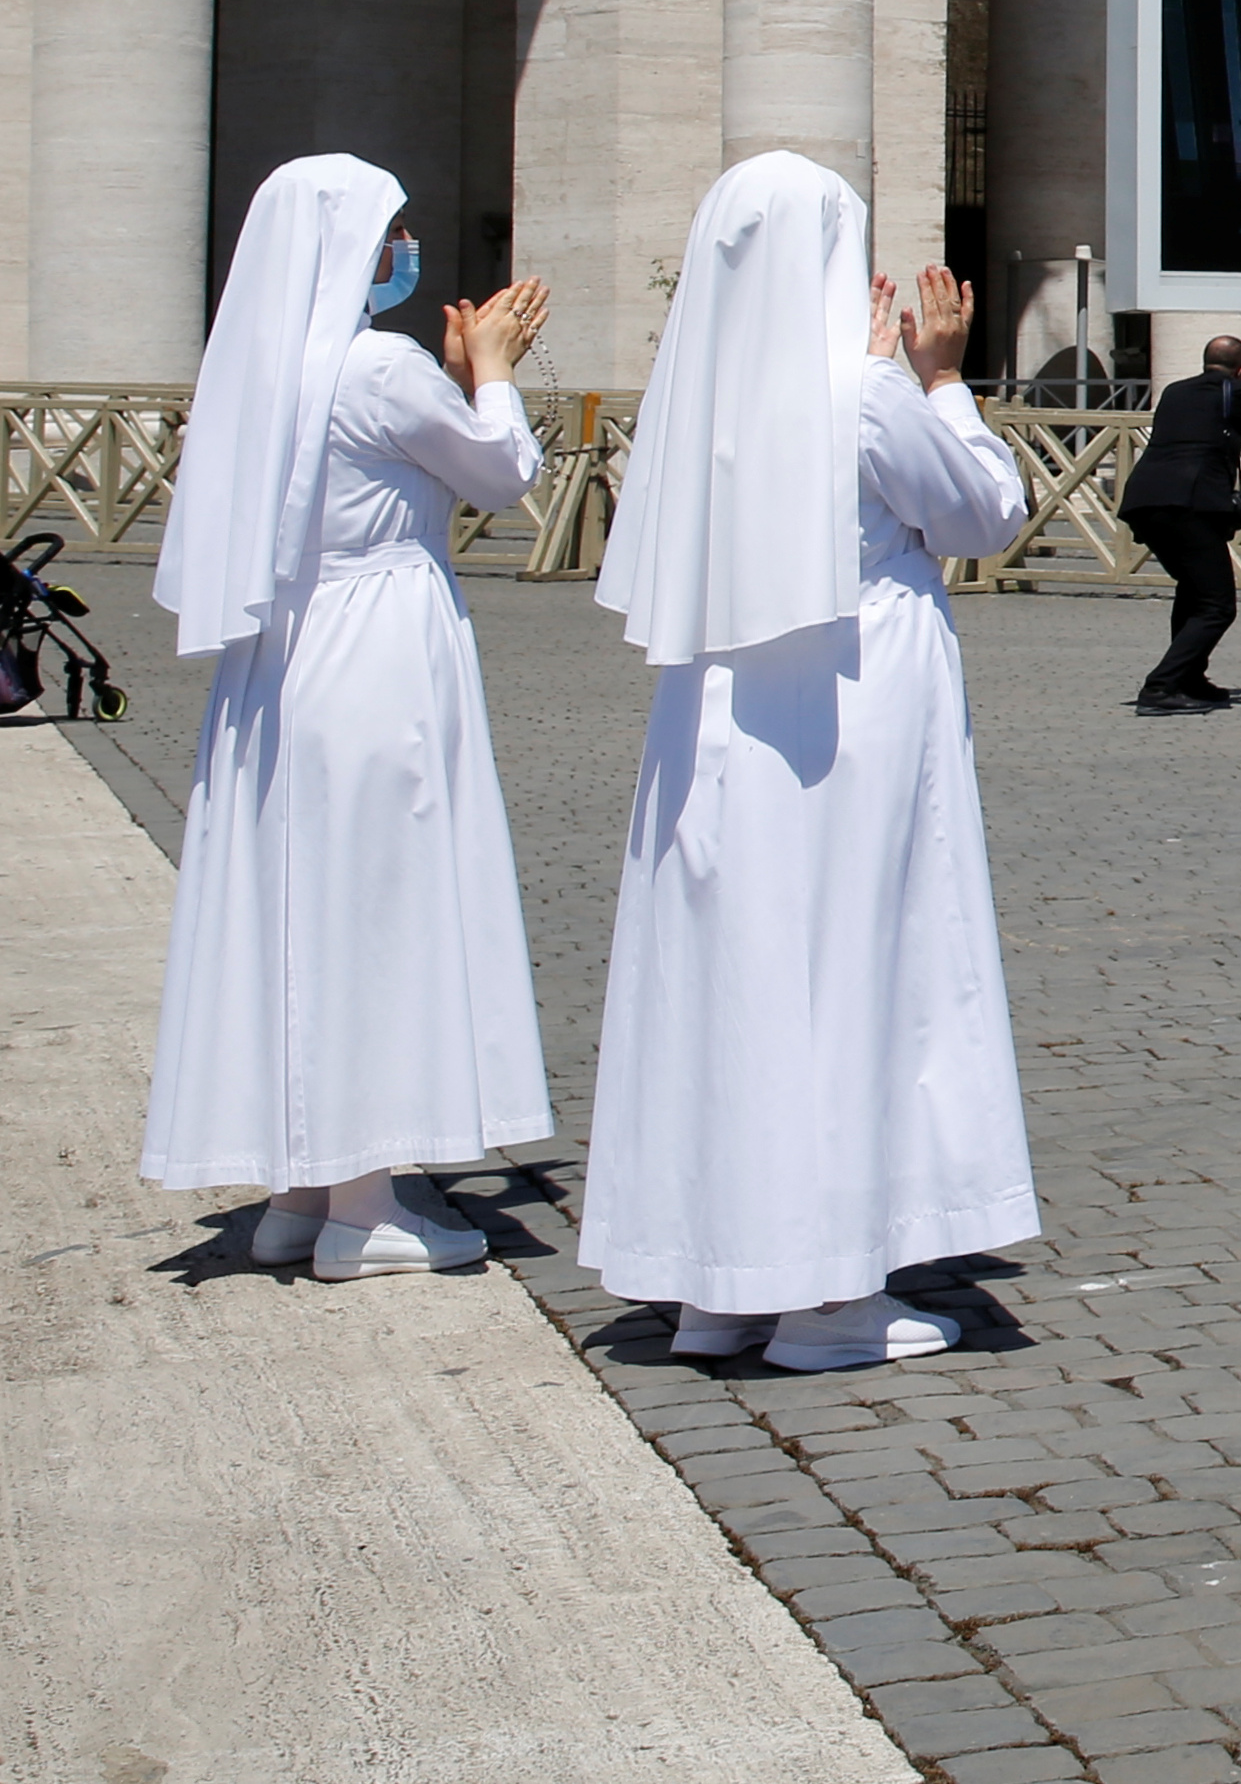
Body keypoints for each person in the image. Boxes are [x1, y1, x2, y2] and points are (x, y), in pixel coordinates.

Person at [579, 159, 1043, 1368]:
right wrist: (940, 378)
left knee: (735, 978)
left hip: (719, 718)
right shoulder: (863, 392)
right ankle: (830, 1292)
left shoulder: (699, 394)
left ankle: (721, 1278)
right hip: (849, 713)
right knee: (849, 968)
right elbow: (985, 511)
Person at [139, 160, 554, 1281]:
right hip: (376, 644)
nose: (408, 249)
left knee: (299, 895)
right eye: (395, 231)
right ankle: (367, 1201)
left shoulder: (263, 364)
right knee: (378, 898)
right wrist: (495, 371)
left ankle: (303, 1184)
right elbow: (503, 472)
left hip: (282, 651)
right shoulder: (376, 365)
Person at [1121, 332, 1241, 713]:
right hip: (1188, 506)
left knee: (1194, 590)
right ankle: (1160, 687)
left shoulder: (1175, 391)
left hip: (1145, 501)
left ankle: (1188, 678)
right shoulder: (1237, 394)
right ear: (1240, 368)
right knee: (1217, 606)